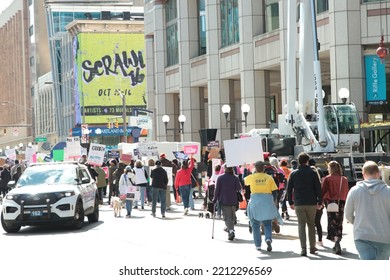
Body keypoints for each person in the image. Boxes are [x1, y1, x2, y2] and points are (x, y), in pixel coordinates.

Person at [344, 161, 390, 260]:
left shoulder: (354, 191)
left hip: (362, 236)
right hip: (385, 237)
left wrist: (358, 222)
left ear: (363, 174)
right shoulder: (388, 191)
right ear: (378, 174)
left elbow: (348, 215)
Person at [287, 152, 323, 256]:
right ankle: (312, 247)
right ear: (307, 161)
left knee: (301, 225)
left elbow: (289, 189)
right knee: (311, 224)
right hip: (311, 202)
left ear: (298, 161)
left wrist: (290, 202)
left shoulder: (293, 173)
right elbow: (318, 188)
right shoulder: (313, 173)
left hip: (299, 203)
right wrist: (319, 202)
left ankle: (303, 249)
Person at [245, 161, 282, 251]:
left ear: (255, 169)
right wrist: (273, 201)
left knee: (255, 224)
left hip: (255, 201)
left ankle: (258, 244)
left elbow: (244, 181)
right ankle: (268, 238)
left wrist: (246, 169)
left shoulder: (251, 177)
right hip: (267, 201)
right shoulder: (269, 178)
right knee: (267, 223)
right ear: (264, 168)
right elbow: (274, 191)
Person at [321, 160, 349, 254]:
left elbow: (323, 191)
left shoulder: (327, 179)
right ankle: (338, 241)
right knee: (339, 222)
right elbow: (346, 192)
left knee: (332, 222)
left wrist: (320, 202)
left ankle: (335, 241)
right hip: (341, 202)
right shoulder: (344, 179)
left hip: (330, 202)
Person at [213, 166, 242, 241]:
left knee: (227, 216)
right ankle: (230, 229)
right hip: (233, 200)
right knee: (232, 216)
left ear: (225, 169)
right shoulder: (235, 178)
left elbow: (217, 190)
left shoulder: (220, 178)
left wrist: (215, 199)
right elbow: (239, 188)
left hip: (224, 199)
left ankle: (231, 231)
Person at [308, 158, 326, 247]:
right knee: (318, 222)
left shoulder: (309, 175)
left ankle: (312, 241)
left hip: (310, 202)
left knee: (311, 223)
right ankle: (320, 240)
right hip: (319, 202)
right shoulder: (318, 171)